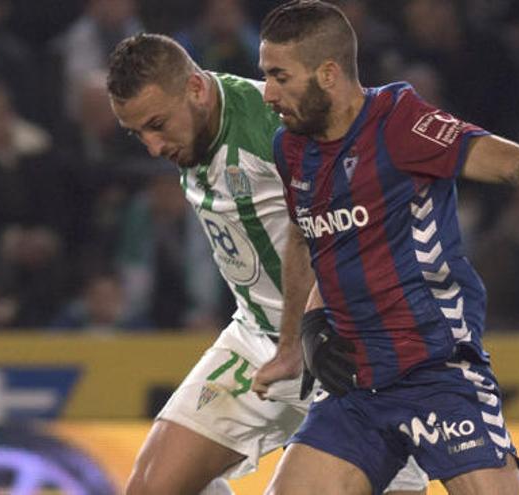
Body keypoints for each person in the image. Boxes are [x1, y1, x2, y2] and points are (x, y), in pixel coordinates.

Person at [251, 2, 519, 494]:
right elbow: (307, 235)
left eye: (280, 77)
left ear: (329, 73)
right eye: (265, 76)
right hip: (356, 388)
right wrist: (302, 334)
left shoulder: (400, 124)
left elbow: (514, 163)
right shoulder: (290, 148)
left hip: (436, 372)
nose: (269, 93)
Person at [106, 33, 428, 495]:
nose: (153, 147)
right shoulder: (192, 124)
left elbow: (349, 229)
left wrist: (307, 333)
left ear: (196, 89)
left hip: (344, 348)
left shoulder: (276, 128)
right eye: (137, 133)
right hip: (257, 338)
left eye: (157, 125)